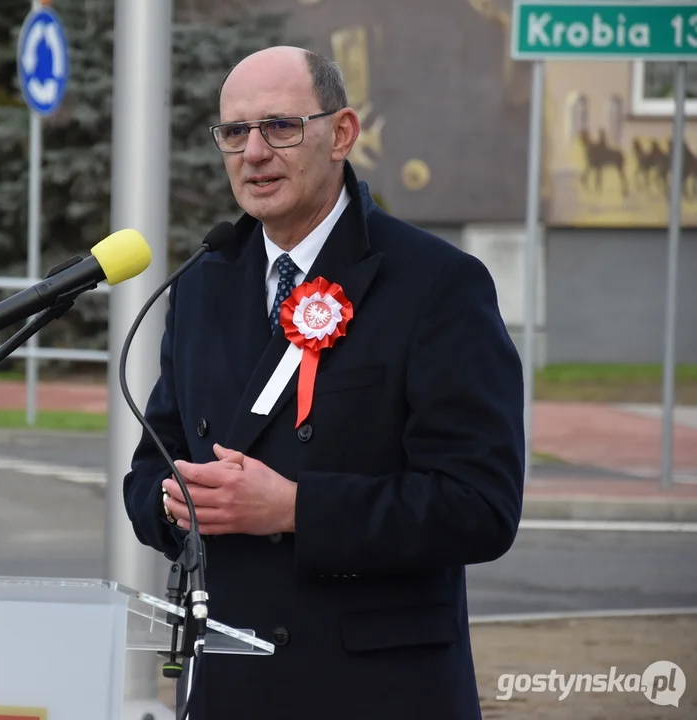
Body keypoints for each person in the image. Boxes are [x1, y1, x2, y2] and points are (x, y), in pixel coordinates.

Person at [122, 46, 524, 719]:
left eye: (279, 126)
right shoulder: (199, 285)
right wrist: (173, 505)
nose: (253, 153)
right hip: (229, 684)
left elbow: (479, 506)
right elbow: (147, 470)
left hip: (374, 690)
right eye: (234, 132)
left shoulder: (434, 284)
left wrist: (293, 509)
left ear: (341, 133)